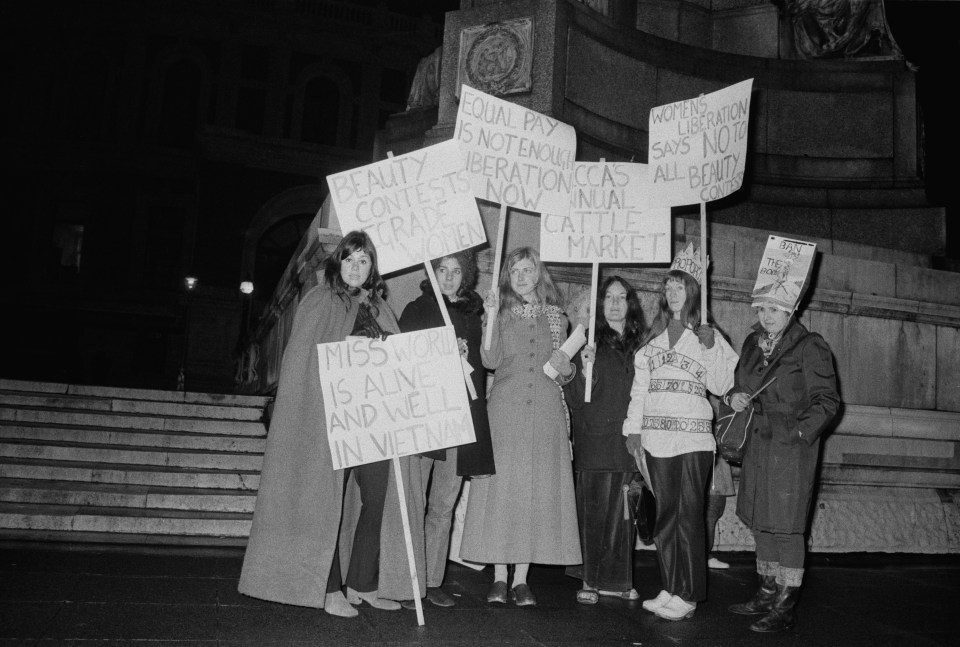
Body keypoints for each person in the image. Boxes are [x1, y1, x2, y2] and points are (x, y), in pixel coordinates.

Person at [238, 230, 426, 618]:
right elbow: (304, 359)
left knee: (380, 498)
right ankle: (327, 587)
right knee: (323, 498)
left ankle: (364, 582)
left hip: (374, 421)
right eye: (350, 259)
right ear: (338, 263)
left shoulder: (381, 310)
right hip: (330, 417)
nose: (356, 268)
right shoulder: (321, 300)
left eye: (364, 260)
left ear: (373, 267)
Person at [460, 246, 581, 607]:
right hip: (506, 412)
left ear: (539, 274)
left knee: (533, 493)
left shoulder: (558, 316)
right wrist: (491, 316)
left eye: (528, 270)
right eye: (516, 272)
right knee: (504, 492)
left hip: (545, 413)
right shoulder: (501, 313)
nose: (523, 277)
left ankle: (522, 580)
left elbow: (567, 373)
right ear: (507, 278)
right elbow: (490, 359)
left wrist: (569, 365)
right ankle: (499, 577)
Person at [623, 263, 738, 621]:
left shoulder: (707, 335)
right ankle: (671, 586)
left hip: (692, 440)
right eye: (668, 286)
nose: (673, 292)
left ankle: (688, 594)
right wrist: (633, 430)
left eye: (680, 286)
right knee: (664, 518)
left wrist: (711, 346)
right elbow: (640, 389)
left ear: (692, 291)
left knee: (688, 516)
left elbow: (724, 384)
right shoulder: (652, 340)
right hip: (656, 439)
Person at [725, 302, 840, 632]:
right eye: (762, 308)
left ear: (792, 310)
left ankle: (784, 608)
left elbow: (827, 400)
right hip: (758, 444)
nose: (766, 316)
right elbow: (741, 386)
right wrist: (735, 397)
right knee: (762, 521)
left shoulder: (810, 345)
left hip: (791, 448)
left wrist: (800, 432)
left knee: (788, 527)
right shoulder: (751, 344)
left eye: (775, 309)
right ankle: (765, 594)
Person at [397, 249, 495, 608]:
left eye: (457, 271)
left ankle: (432, 580)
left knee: (443, 504)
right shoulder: (417, 309)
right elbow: (402, 362)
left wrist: (494, 318)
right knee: (414, 500)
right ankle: (406, 580)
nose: (450, 277)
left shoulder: (476, 312)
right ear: (432, 272)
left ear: (466, 275)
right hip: (425, 417)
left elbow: (487, 359)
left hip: (460, 417)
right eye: (443, 269)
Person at [563, 276, 645, 604]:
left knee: (623, 515)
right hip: (595, 439)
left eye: (621, 297)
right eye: (608, 297)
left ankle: (618, 580)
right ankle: (591, 580)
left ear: (630, 304)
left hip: (626, 440)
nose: (614, 303)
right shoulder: (584, 339)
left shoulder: (641, 343)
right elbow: (570, 392)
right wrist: (583, 370)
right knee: (594, 513)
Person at [705, 455, 735, 569]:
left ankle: (702, 556)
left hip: (716, 463)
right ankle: (703, 557)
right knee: (711, 513)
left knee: (714, 512)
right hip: (711, 461)